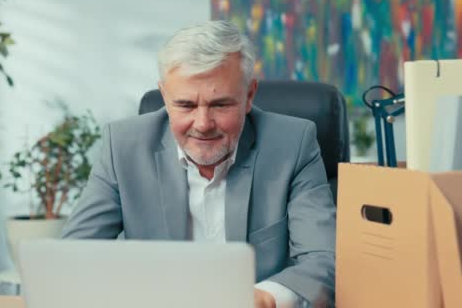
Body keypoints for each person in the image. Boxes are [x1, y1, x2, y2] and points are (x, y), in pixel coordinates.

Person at [62, 20, 336, 308]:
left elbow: (324, 258)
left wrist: (266, 297)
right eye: (185, 105)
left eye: (220, 105)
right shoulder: (124, 146)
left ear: (249, 96)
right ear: (165, 97)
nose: (203, 124)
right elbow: (72, 259)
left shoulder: (292, 144)